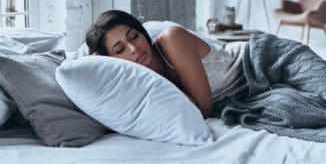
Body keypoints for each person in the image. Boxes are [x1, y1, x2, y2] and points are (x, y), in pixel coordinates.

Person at [86, 10, 326, 142]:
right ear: (111, 60)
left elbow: (202, 108)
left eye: (133, 36)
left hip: (267, 58)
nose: (134, 49)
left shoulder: (171, 39)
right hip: (251, 93)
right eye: (120, 50)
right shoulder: (137, 78)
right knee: (293, 114)